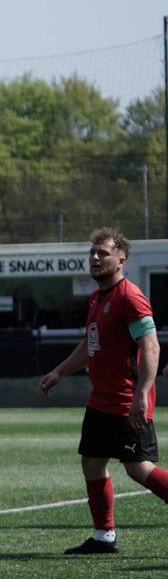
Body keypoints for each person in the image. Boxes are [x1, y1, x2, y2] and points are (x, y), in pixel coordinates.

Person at [38, 227, 168, 554]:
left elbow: (151, 347)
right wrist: (60, 371)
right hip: (100, 401)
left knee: (138, 469)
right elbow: (89, 344)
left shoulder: (130, 297)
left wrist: (142, 395)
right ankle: (104, 536)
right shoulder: (97, 297)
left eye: (103, 253)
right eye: (92, 253)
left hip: (126, 401)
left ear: (121, 260)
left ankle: (104, 534)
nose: (95, 258)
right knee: (92, 464)